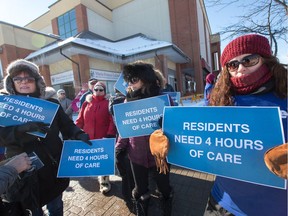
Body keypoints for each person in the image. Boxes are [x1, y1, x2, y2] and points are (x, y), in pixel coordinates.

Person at [204, 34, 287, 216]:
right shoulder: (220, 99)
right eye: (233, 64)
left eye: (249, 60)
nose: (240, 68)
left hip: (275, 208)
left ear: (265, 59)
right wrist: (168, 133)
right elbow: (194, 128)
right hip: (222, 201)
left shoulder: (284, 93)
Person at [0, 59, 91, 215]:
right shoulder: (5, 106)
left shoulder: (51, 103)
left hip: (53, 166)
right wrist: (21, 130)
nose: (24, 82)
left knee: (56, 206)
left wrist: (78, 133)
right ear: (11, 82)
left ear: (37, 81)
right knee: (33, 210)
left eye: (29, 78)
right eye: (18, 79)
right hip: (25, 172)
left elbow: (66, 124)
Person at [115, 61, 173, 216]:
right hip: (137, 154)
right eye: (129, 80)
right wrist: (120, 147)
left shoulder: (163, 99)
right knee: (140, 188)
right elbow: (125, 127)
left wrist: (167, 124)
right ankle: (142, 207)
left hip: (159, 155)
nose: (130, 84)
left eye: (134, 80)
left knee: (164, 186)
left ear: (145, 79)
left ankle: (167, 202)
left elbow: (176, 127)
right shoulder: (128, 101)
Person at [75, 81, 116, 194]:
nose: (98, 92)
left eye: (100, 90)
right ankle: (97, 176)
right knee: (94, 160)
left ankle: (105, 182)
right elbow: (80, 119)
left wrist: (110, 134)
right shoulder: (86, 103)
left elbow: (112, 121)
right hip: (88, 137)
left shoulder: (108, 103)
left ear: (104, 91)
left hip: (103, 137)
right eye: (96, 89)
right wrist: (76, 132)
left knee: (103, 160)